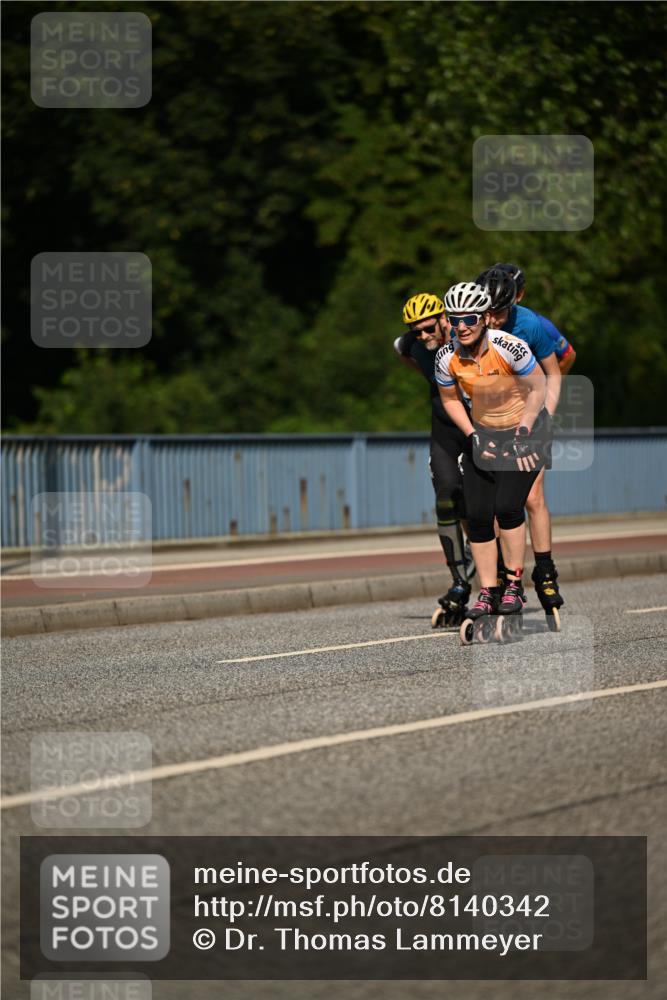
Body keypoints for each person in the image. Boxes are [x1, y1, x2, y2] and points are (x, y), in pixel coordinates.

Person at [434, 282, 549, 637]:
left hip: (525, 430)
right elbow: (451, 399)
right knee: (479, 514)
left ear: (485, 318)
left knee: (508, 506)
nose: (462, 326)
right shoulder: (447, 357)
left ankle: (514, 584)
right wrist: (471, 434)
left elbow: (539, 386)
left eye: (469, 318)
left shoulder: (509, 347)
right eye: (455, 320)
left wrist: (526, 427)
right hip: (484, 434)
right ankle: (487, 591)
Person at [475, 266, 566, 618]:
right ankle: (500, 574)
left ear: (517, 300)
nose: (492, 319)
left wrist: (545, 419)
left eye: (499, 312)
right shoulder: (475, 324)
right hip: (495, 419)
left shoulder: (532, 325)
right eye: (487, 311)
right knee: (498, 500)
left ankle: (545, 570)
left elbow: (556, 370)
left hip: (532, 413)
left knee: (532, 494)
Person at [395, 293, 473, 626]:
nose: (424, 337)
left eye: (429, 329)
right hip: (444, 430)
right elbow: (401, 349)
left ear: (444, 319)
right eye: (417, 332)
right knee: (446, 500)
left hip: (479, 426)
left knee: (482, 508)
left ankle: (496, 574)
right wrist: (429, 379)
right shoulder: (410, 344)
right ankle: (459, 582)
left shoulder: (466, 339)